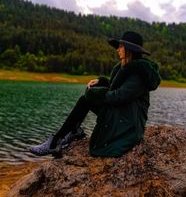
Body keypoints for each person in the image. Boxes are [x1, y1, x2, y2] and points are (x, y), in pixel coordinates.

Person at [30, 31, 161, 158]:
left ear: (129, 49)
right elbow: (118, 88)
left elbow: (120, 96)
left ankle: (58, 140)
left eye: (121, 47)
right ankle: (70, 133)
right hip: (123, 113)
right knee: (86, 99)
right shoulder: (128, 67)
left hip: (129, 122)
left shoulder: (138, 74)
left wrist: (96, 93)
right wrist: (102, 82)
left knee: (86, 99)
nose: (118, 50)